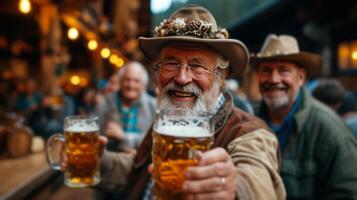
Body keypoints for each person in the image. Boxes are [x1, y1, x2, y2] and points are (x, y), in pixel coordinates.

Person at [62, 5, 285, 199]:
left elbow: (258, 179)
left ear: (221, 76)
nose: (181, 78)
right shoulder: (166, 120)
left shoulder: (249, 132)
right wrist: (97, 160)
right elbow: (142, 173)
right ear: (158, 71)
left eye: (197, 66)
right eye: (171, 63)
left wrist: (233, 187)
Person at [251, 34, 357, 199]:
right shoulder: (248, 121)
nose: (273, 79)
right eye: (266, 70)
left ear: (301, 78)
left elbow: (348, 193)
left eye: (283, 70)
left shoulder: (329, 129)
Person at [96, 61, 156, 152]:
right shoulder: (106, 102)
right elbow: (96, 134)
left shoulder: (153, 105)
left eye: (136, 81)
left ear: (143, 85)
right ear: (121, 81)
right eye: (127, 79)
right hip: (111, 158)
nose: (131, 85)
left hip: (141, 160)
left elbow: (155, 140)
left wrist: (123, 136)